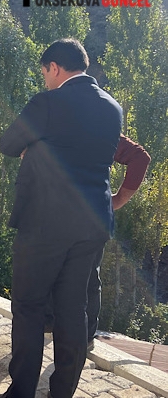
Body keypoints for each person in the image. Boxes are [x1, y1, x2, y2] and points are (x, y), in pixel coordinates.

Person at [0, 38, 123, 398]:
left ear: (55, 68)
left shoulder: (47, 102)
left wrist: (38, 145)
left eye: (45, 72)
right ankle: (62, 392)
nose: (45, 79)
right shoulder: (112, 108)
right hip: (93, 222)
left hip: (45, 222)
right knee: (73, 309)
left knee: (29, 306)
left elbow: (8, 144)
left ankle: (21, 393)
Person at [86, 134, 150, 348]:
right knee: (86, 277)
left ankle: (85, 337)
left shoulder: (98, 127)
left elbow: (141, 159)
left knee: (87, 278)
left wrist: (120, 198)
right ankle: (78, 335)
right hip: (77, 216)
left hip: (89, 218)